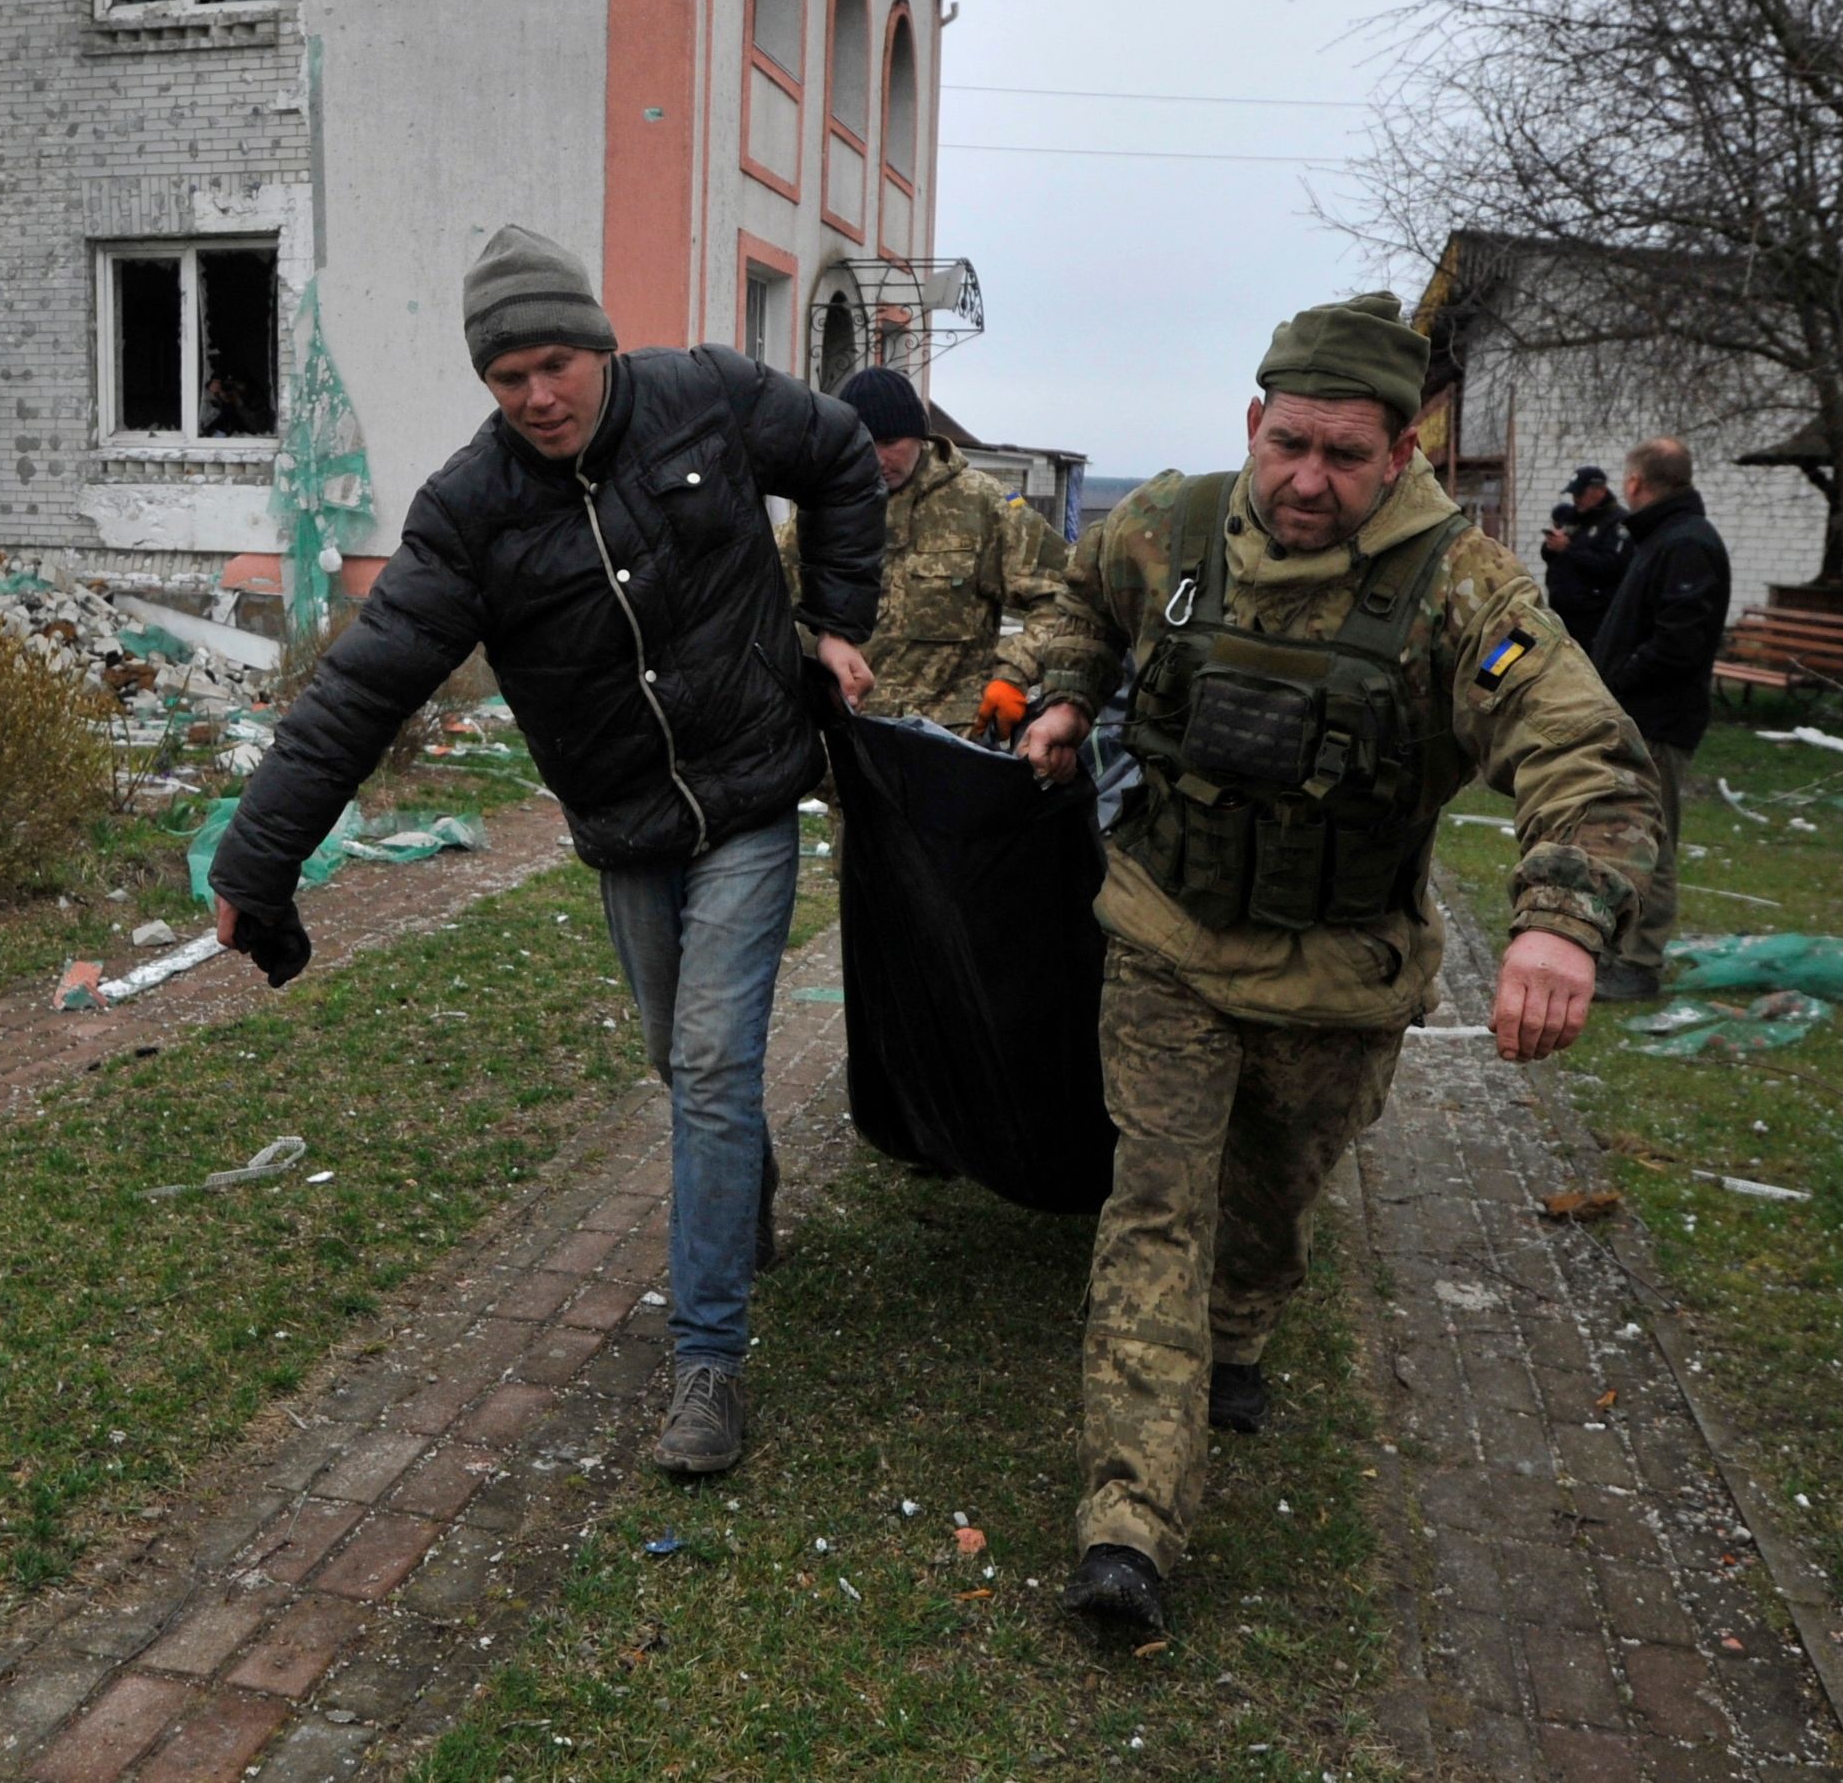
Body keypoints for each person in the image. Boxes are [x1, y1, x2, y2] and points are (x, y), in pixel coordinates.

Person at [1015, 292, 1663, 1636]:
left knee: (1269, 1195)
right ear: (1254, 423)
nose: (1309, 479)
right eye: (1289, 443)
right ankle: (1129, 1517)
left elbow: (1586, 754)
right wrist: (1068, 688)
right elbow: (1082, 598)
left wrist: (1558, 914)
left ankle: (1243, 1326)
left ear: (1401, 448)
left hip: (1339, 976)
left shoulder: (1461, 590)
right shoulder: (1166, 528)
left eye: (1346, 455)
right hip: (1166, 945)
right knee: (1155, 1204)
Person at [208, 224, 886, 1478]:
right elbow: (362, 690)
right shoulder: (470, 511)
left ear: (598, 342)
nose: (536, 396)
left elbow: (845, 454)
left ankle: (707, 1364)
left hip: (746, 790)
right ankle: (745, 1197)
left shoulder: (707, 399)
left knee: (711, 1060)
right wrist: (258, 862)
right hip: (626, 820)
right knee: (685, 1065)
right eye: (507, 378)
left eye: (555, 364)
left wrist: (837, 619)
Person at [776, 365, 1070, 739]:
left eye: (890, 443)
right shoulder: (822, 510)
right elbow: (765, 601)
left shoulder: (982, 506)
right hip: (846, 745)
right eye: (864, 444)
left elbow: (1063, 597)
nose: (878, 458)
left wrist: (1013, 674)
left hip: (947, 745)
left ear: (921, 437)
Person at [1583, 435, 1732, 1003]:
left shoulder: (1686, 544)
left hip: (1658, 721)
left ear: (1637, 484)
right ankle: (1616, 948)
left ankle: (1639, 961)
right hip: (1637, 717)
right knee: (1623, 836)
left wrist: (1616, 680)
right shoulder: (1662, 540)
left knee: (1652, 841)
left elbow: (1678, 643)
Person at [1539, 462, 1629, 652]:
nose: (1576, 499)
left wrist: (1568, 549)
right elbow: (1554, 557)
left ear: (1600, 491)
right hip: (1563, 614)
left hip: (1594, 619)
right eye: (1574, 495)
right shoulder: (1575, 517)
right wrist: (1551, 546)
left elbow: (1612, 566)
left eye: (1580, 494)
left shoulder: (1617, 522)